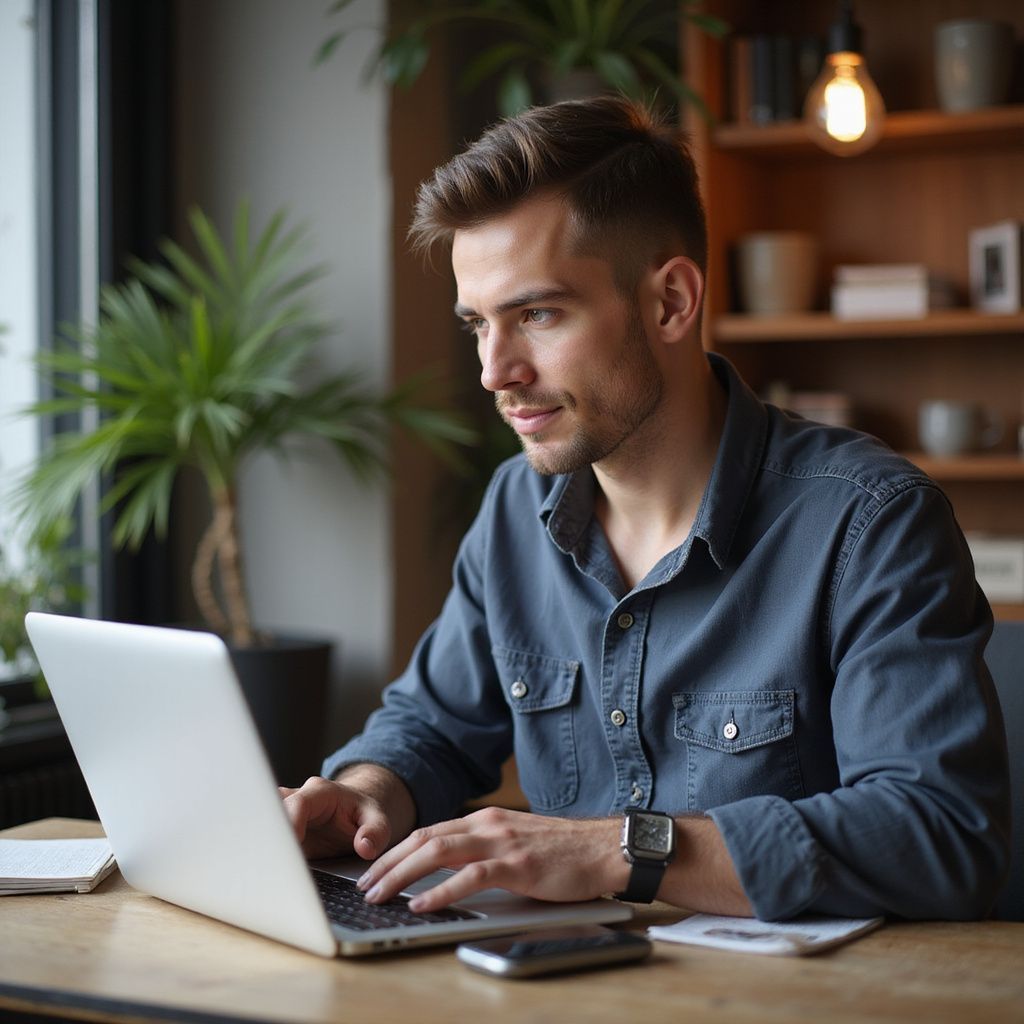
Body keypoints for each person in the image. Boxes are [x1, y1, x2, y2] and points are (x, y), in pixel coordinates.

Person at [281, 96, 1010, 922]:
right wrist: (364, 791)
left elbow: (941, 833)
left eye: (538, 315)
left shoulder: (872, 522)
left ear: (671, 302)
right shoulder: (517, 506)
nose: (494, 371)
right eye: (478, 324)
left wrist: (614, 849)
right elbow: (433, 727)